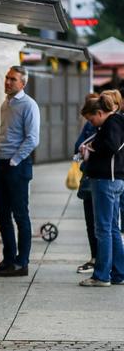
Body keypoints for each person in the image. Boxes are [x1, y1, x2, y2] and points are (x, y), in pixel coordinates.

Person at [0, 66, 40, 277]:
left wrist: (15, 160)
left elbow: (32, 138)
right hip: (2, 163)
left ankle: (21, 263)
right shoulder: (5, 104)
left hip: (18, 166)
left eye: (13, 79)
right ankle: (8, 260)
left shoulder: (29, 105)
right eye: (7, 78)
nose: (7, 82)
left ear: (22, 83)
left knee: (20, 215)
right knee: (2, 215)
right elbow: (4, 134)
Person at [78, 91, 124, 287]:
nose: (92, 123)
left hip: (106, 180)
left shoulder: (111, 123)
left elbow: (111, 146)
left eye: (91, 119)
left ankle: (102, 275)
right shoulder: (116, 122)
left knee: (103, 229)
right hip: (114, 180)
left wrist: (92, 148)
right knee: (112, 228)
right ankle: (119, 272)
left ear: (99, 112)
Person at [74, 93, 99, 274]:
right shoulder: (92, 125)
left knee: (103, 225)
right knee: (96, 222)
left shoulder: (110, 126)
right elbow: (77, 146)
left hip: (102, 179)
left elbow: (78, 146)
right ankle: (98, 259)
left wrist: (88, 150)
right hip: (92, 178)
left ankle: (101, 260)